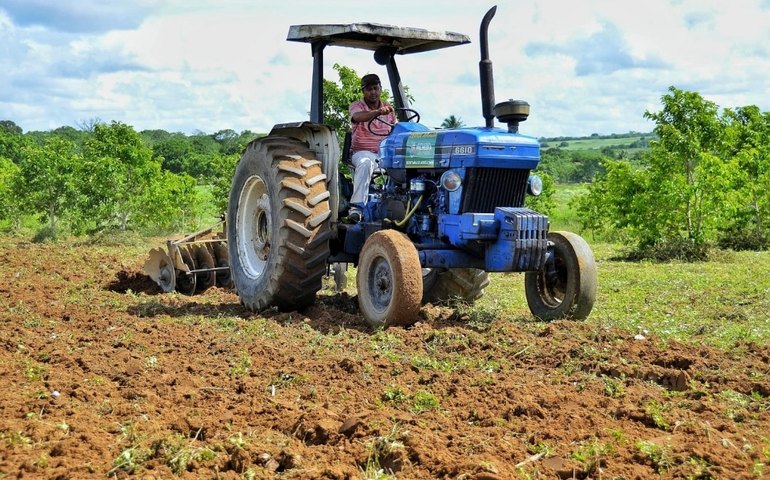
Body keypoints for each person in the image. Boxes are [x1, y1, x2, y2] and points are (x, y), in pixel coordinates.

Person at [348, 73, 396, 222]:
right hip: (362, 152)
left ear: (381, 88)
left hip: (383, 155)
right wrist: (376, 113)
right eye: (369, 89)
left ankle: (397, 206)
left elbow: (395, 129)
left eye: (375, 88)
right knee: (365, 164)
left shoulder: (388, 109)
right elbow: (357, 117)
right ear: (363, 92)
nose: (373, 92)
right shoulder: (357, 106)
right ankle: (357, 208)